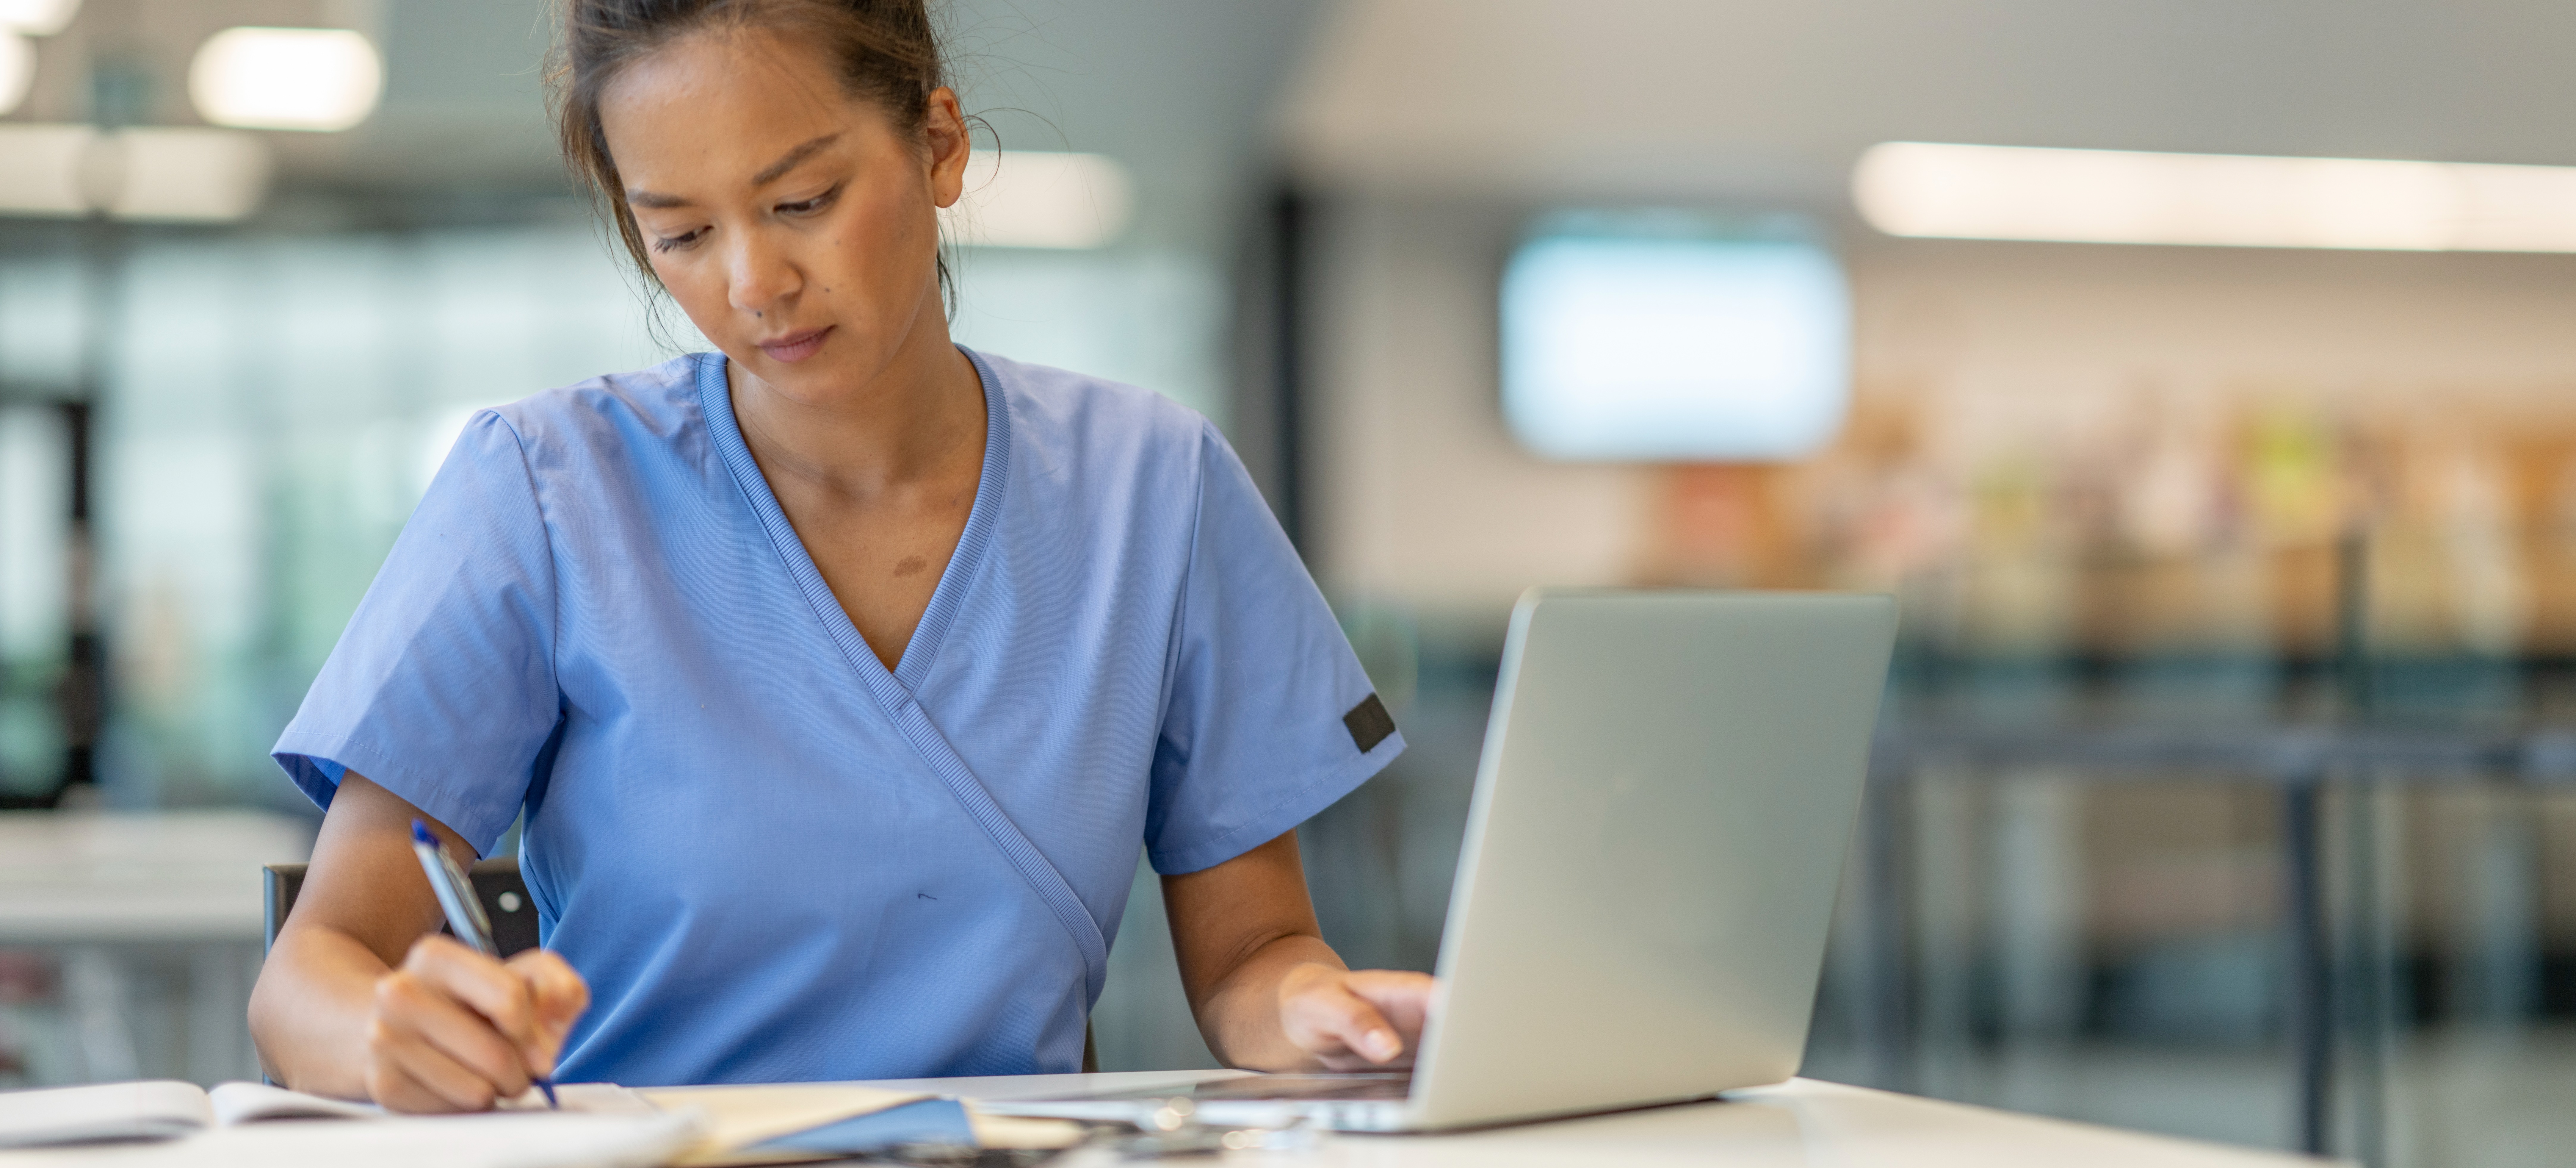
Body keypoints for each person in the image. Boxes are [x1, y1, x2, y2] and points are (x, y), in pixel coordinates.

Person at [246, 0, 1428, 1113]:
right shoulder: (548, 490)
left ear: (939, 144)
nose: (754, 284)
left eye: (802, 200)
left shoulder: (1152, 487)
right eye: (682, 233)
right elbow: (310, 979)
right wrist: (387, 1034)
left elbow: (1253, 954)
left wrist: (1324, 1011)